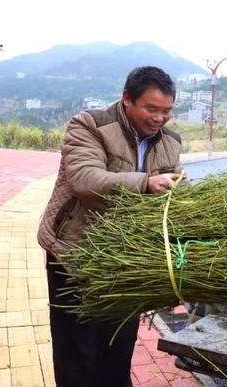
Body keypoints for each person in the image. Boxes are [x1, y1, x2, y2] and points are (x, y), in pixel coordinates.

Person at [37, 66, 184, 387]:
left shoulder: (171, 142)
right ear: (127, 99)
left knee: (117, 349)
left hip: (124, 262)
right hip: (75, 254)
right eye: (152, 108)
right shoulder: (90, 125)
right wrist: (146, 184)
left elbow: (173, 194)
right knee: (77, 354)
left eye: (167, 111)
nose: (160, 118)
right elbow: (84, 180)